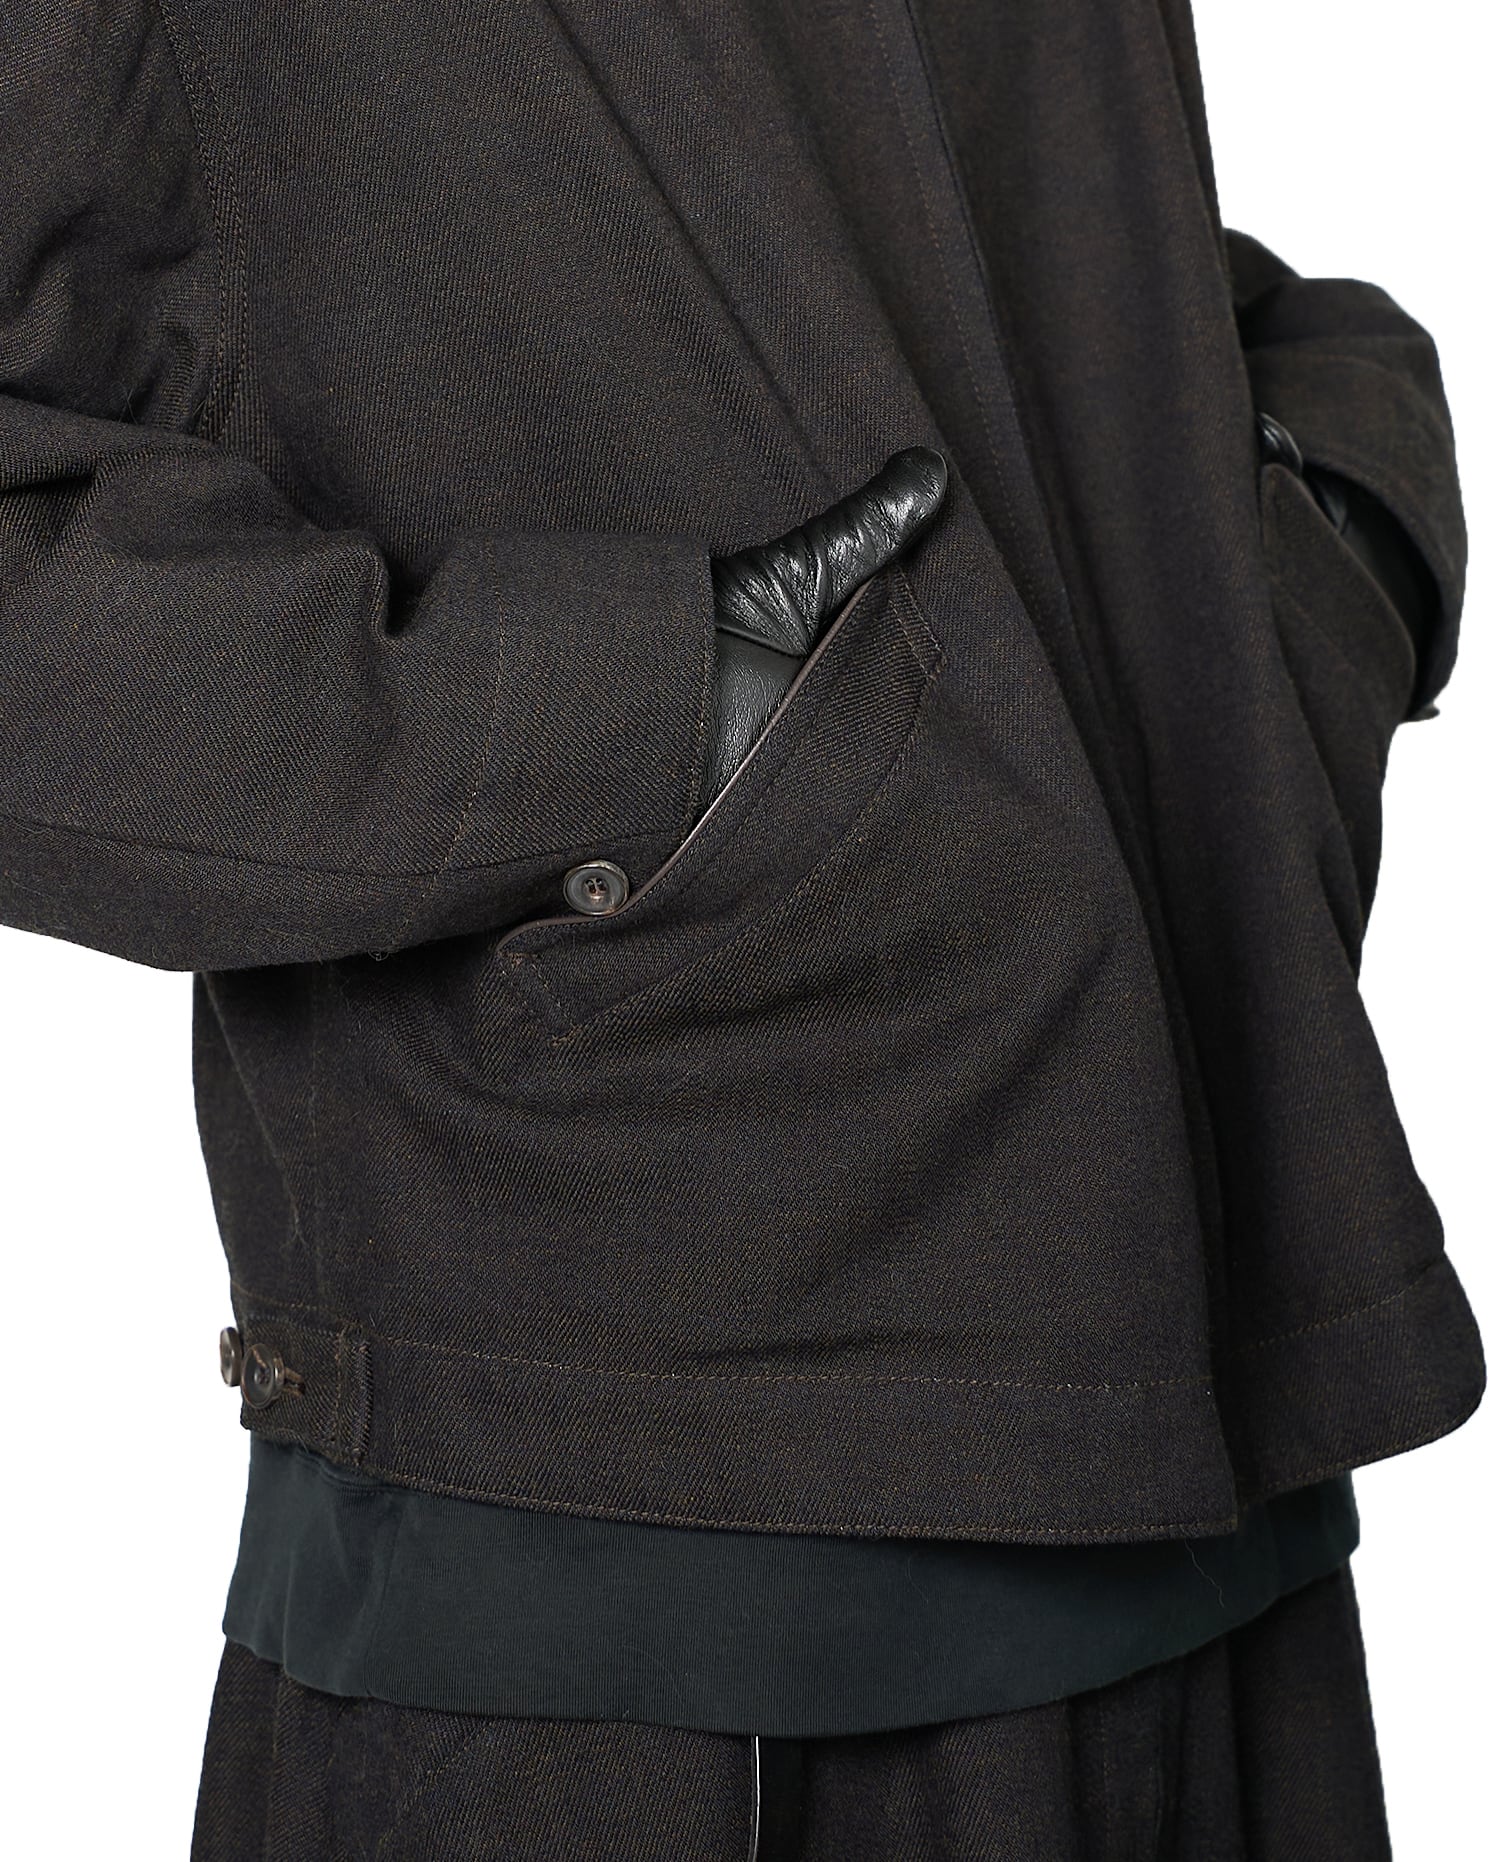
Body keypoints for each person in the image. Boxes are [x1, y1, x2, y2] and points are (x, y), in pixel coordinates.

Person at [2, 4, 1478, 1857]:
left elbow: (920, 238)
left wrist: (1330, 545)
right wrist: (633, 719)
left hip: (1224, 1433)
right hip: (644, 1559)